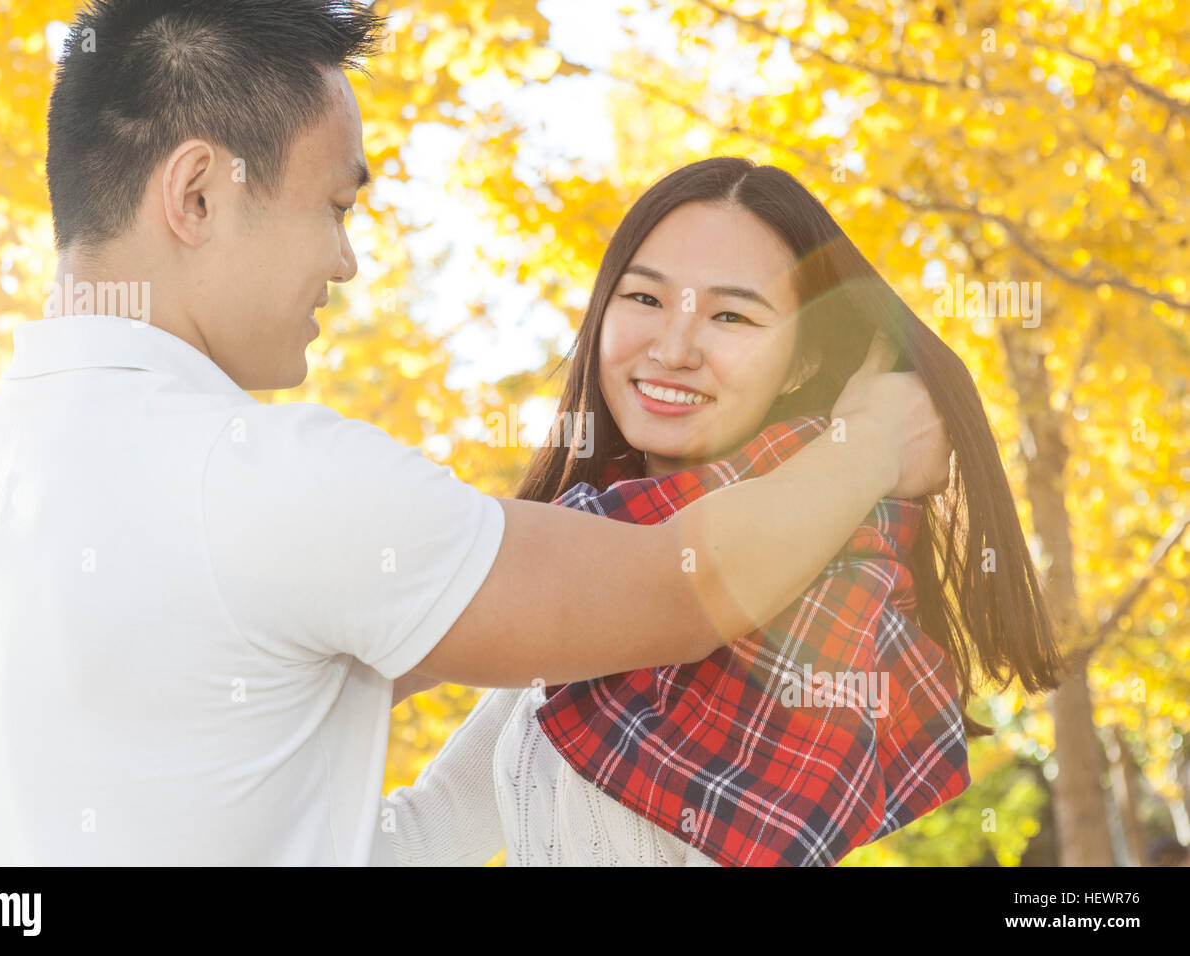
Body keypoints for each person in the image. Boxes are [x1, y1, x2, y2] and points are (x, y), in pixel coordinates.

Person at [0, 0, 952, 865]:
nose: (345, 260)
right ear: (196, 193)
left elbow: (334, 843)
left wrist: (551, 694)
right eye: (333, 205)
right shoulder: (261, 479)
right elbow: (673, 589)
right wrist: (869, 443)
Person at [374, 160, 1062, 866]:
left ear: (804, 359)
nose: (673, 350)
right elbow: (423, 836)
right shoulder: (593, 569)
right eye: (644, 299)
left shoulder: (827, 587)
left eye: (731, 315)